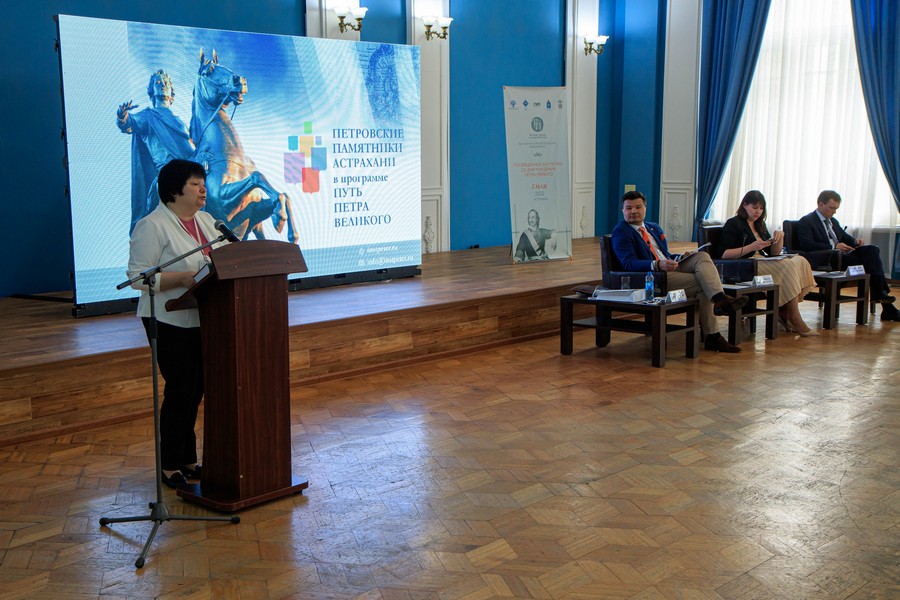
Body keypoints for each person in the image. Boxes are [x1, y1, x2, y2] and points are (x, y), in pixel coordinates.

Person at [127, 159, 227, 489]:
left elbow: (227, 260)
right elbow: (138, 278)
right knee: (181, 389)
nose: (203, 189)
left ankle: (187, 459)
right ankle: (169, 464)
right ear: (174, 189)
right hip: (167, 317)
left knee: (195, 389)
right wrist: (183, 278)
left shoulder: (208, 222)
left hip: (203, 316)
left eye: (203, 183)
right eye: (195, 183)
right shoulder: (152, 225)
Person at [611, 191, 749, 353]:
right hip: (652, 277)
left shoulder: (653, 227)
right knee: (704, 284)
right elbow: (628, 264)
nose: (633, 211)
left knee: (702, 256)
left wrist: (681, 257)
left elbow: (666, 255)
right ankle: (714, 331)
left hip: (668, 267)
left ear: (645, 208)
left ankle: (719, 301)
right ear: (622, 210)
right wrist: (657, 264)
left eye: (637, 207)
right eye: (628, 208)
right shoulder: (621, 231)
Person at [714, 191, 819, 336]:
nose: (758, 212)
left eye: (761, 208)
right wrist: (751, 247)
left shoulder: (760, 224)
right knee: (787, 266)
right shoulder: (734, 223)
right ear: (745, 205)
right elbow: (723, 254)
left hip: (761, 260)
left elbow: (773, 252)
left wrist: (779, 238)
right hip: (746, 264)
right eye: (754, 207)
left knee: (799, 260)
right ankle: (793, 317)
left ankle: (785, 310)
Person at [796, 190, 899, 321]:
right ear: (821, 204)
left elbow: (844, 237)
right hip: (827, 259)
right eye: (831, 208)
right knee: (870, 263)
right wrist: (833, 247)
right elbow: (807, 244)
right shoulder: (807, 221)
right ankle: (883, 300)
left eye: (836, 209)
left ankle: (882, 297)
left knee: (872, 250)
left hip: (842, 256)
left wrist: (855, 241)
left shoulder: (832, 221)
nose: (834, 212)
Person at [117, 70, 195, 234]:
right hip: (167, 172)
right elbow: (129, 123)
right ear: (152, 90)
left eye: (166, 83)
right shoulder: (147, 116)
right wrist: (122, 116)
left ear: (172, 92)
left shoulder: (180, 121)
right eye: (158, 83)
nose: (163, 85)